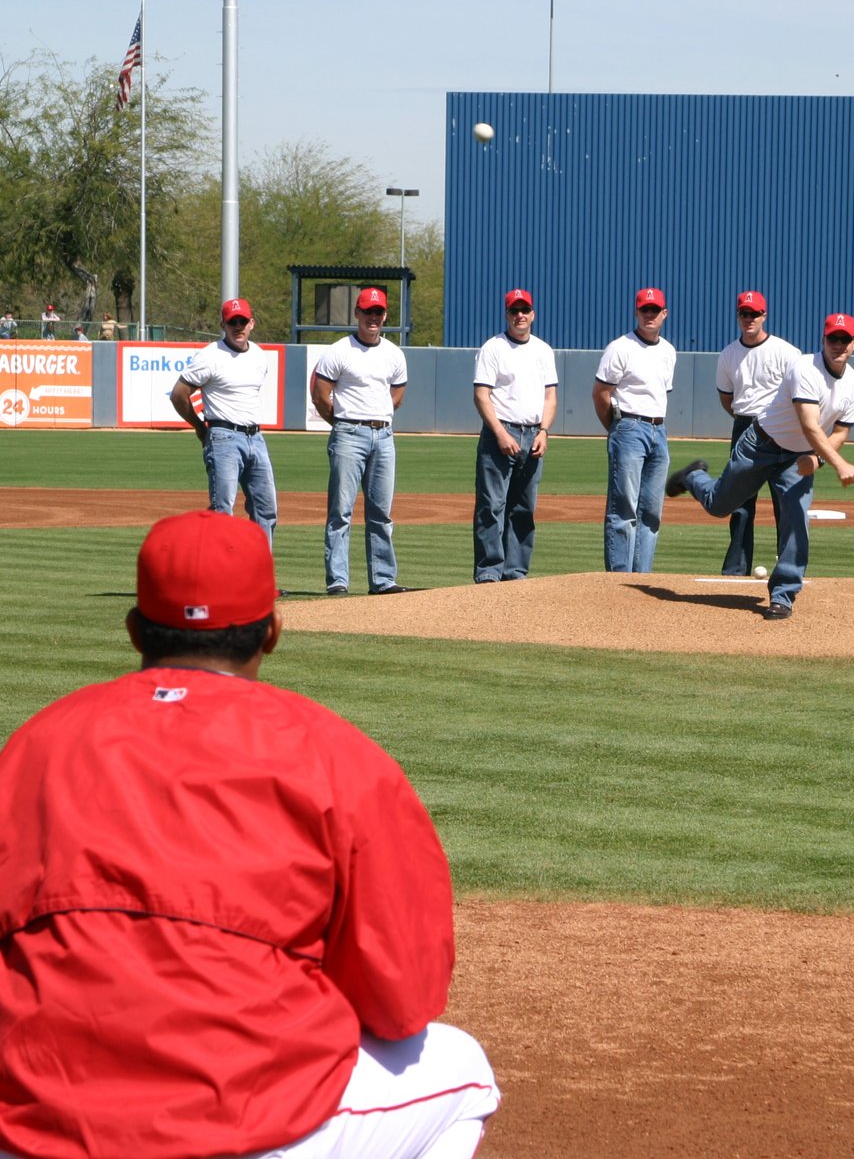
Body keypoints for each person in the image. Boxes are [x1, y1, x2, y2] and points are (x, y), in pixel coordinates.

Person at [0, 509, 500, 1159]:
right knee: (463, 1073)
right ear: (273, 631)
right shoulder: (334, 754)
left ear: (132, 631)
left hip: (34, 1126)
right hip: (249, 1126)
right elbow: (402, 998)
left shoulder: (32, 745)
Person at [666, 313, 854, 619]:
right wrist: (838, 464)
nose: (838, 345)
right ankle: (694, 477)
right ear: (823, 340)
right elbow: (811, 426)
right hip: (760, 445)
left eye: (845, 339)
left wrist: (817, 459)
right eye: (833, 338)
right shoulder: (805, 368)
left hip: (796, 459)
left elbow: (840, 431)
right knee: (720, 506)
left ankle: (783, 595)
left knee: (796, 520)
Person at [311, 286, 408, 595]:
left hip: (383, 435)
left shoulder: (393, 353)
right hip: (348, 434)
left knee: (381, 512)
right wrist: (342, 422)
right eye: (368, 311)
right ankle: (338, 580)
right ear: (357, 313)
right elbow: (320, 394)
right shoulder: (340, 350)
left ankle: (383, 580)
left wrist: (377, 415)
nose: (373, 317)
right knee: (341, 511)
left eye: (378, 312)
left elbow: (398, 393)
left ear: (385, 315)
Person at [169, 297, 278, 546]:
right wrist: (199, 426)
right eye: (232, 322)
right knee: (223, 512)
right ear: (223, 324)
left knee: (266, 510)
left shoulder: (260, 356)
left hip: (256, 438)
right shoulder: (210, 356)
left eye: (242, 321)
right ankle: (219, 580)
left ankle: (257, 579)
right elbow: (178, 394)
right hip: (223, 437)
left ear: (252, 323)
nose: (237, 326)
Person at [472, 288, 558, 583]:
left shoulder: (543, 350)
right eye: (514, 310)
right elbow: (482, 395)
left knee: (523, 508)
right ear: (506, 314)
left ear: (533, 314)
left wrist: (544, 431)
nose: (519, 315)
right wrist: (499, 433)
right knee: (492, 506)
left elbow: (550, 397)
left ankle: (516, 571)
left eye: (525, 310)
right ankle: (489, 572)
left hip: (533, 433)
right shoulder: (493, 348)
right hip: (502, 432)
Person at [714, 290, 800, 576]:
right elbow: (727, 398)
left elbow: (801, 394)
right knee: (739, 504)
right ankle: (736, 570)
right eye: (744, 313)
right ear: (738, 316)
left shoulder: (786, 352)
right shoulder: (728, 354)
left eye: (754, 314)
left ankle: (788, 568)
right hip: (744, 425)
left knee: (786, 503)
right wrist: (744, 421)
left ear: (765, 316)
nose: (749, 318)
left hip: (781, 430)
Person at [593, 287, 677, 572]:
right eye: (645, 309)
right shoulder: (620, 347)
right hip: (629, 425)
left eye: (655, 310)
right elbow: (600, 392)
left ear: (665, 314)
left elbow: (661, 392)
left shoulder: (668, 351)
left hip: (659, 429)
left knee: (651, 511)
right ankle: (618, 579)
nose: (650, 314)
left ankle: (642, 576)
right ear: (636, 312)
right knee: (624, 510)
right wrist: (617, 428)